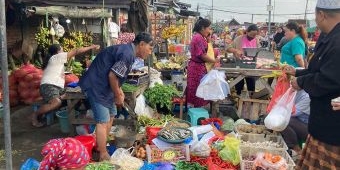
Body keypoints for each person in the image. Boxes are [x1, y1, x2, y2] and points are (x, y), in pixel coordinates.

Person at [79, 32, 153, 161]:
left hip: (105, 86)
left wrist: (119, 90)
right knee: (102, 121)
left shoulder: (128, 52)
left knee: (112, 114)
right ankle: (102, 153)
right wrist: (118, 94)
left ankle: (101, 145)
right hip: (96, 86)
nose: (150, 52)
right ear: (141, 44)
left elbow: (115, 75)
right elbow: (112, 76)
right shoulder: (127, 54)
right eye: (150, 48)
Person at [284, 0, 340, 169]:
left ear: (321, 15)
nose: (315, 20)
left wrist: (300, 82)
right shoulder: (327, 36)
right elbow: (317, 69)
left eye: (315, 16)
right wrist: (298, 73)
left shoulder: (337, 43)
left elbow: (328, 80)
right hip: (321, 121)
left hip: (333, 127)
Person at [31, 44, 99, 127]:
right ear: (58, 51)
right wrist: (91, 47)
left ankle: (73, 117)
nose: (64, 52)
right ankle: (35, 114)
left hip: (58, 88)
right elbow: (76, 51)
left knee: (76, 93)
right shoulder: (55, 57)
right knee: (57, 102)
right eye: (62, 50)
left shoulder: (56, 60)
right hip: (48, 86)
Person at [186, 17, 219, 107]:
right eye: (209, 28)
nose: (210, 30)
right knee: (198, 91)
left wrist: (208, 39)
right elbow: (202, 55)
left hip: (199, 68)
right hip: (197, 69)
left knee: (200, 91)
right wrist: (214, 61)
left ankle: (197, 110)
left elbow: (207, 50)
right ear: (202, 28)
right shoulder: (198, 38)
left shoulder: (201, 37)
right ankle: (195, 112)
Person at [226, 24, 261, 96]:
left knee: (251, 85)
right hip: (239, 65)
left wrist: (256, 54)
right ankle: (239, 100)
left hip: (251, 65)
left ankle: (251, 100)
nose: (252, 37)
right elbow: (228, 48)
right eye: (251, 35)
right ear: (247, 32)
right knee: (239, 85)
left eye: (255, 35)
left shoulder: (256, 40)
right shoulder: (238, 39)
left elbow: (258, 49)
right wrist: (236, 50)